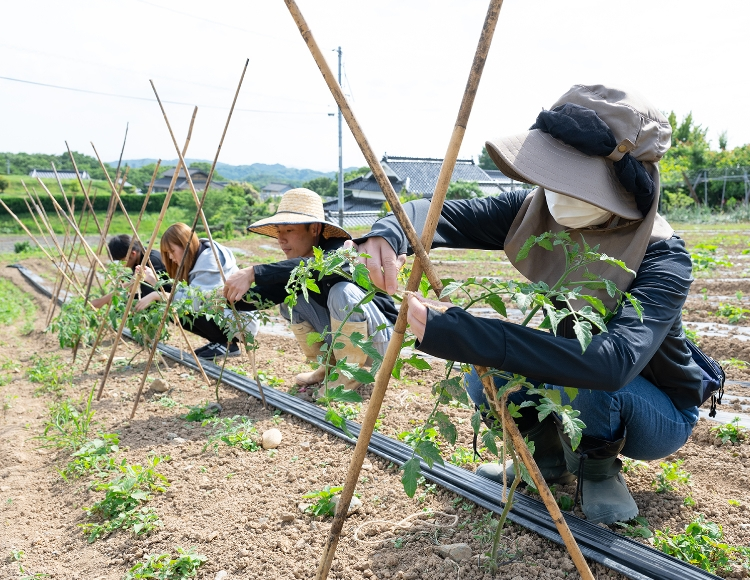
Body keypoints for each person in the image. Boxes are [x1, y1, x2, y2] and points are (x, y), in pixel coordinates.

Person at [350, 85, 703, 525]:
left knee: (590, 379)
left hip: (655, 411)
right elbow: (440, 214)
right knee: (485, 378)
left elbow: (612, 363)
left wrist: (463, 333)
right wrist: (389, 233)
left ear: (630, 186)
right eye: (551, 176)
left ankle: (598, 471)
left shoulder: (663, 257)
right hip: (580, 380)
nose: (557, 194)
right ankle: (545, 457)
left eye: (578, 182)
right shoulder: (538, 212)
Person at [221, 188, 397, 399]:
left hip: (381, 343)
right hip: (352, 341)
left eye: (288, 231)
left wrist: (254, 272)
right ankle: (331, 366)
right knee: (290, 298)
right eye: (278, 231)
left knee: (342, 292)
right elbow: (266, 295)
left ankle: (349, 373)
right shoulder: (297, 268)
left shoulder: (341, 250)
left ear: (314, 229)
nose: (281, 239)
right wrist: (229, 298)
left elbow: (316, 266)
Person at [133, 223, 259, 360]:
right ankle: (222, 341)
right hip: (229, 317)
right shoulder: (200, 257)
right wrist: (154, 281)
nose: (170, 257)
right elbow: (186, 293)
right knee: (174, 305)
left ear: (185, 245)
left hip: (241, 324)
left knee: (180, 306)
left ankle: (226, 343)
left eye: (172, 251)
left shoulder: (210, 261)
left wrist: (157, 294)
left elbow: (194, 301)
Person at [89, 234, 170, 309]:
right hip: (154, 296)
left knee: (124, 305)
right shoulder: (138, 258)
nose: (121, 264)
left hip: (166, 300)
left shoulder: (150, 261)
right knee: (120, 304)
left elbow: (132, 285)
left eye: (122, 261)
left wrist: (102, 301)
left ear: (133, 254)